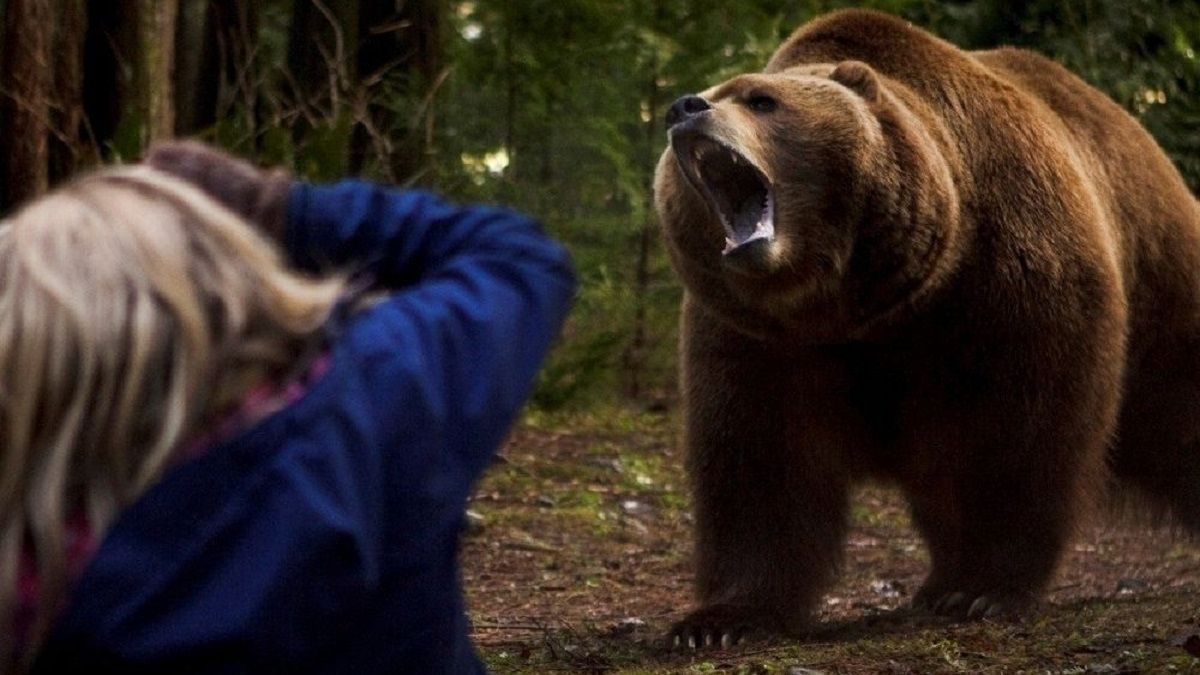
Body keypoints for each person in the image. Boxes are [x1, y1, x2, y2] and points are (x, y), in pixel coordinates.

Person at [0, 142, 575, 673]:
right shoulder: (375, 406)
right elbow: (519, 257)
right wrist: (286, 209)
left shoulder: (34, 592)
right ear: (229, 283)